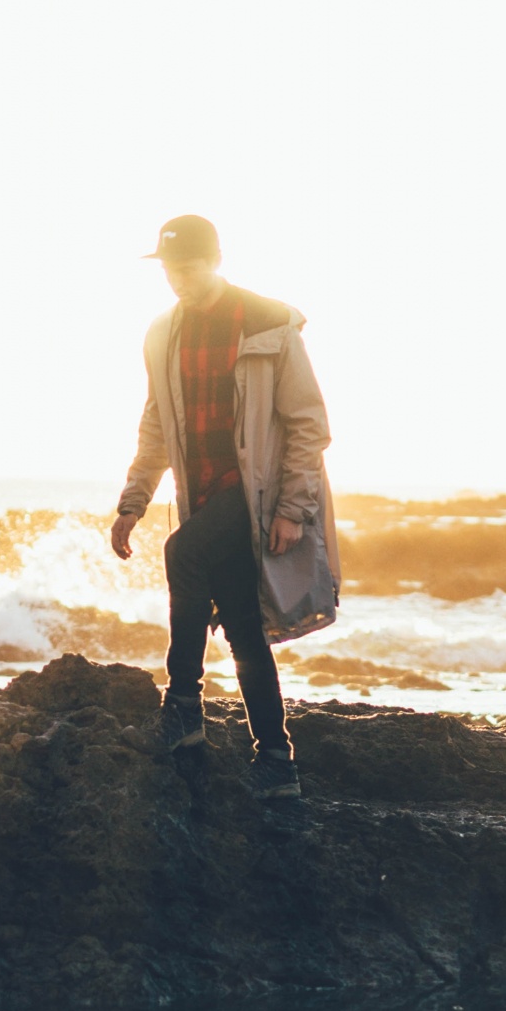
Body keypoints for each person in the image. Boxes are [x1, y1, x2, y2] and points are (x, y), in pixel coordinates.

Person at [110, 214, 339, 800]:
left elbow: (308, 424)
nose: (178, 280)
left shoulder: (269, 325)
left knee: (182, 553)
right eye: (169, 270)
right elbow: (157, 425)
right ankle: (277, 762)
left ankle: (183, 702)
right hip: (204, 495)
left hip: (257, 494)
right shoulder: (163, 334)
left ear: (215, 261)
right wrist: (134, 500)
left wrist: (292, 507)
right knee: (241, 624)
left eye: (187, 268)